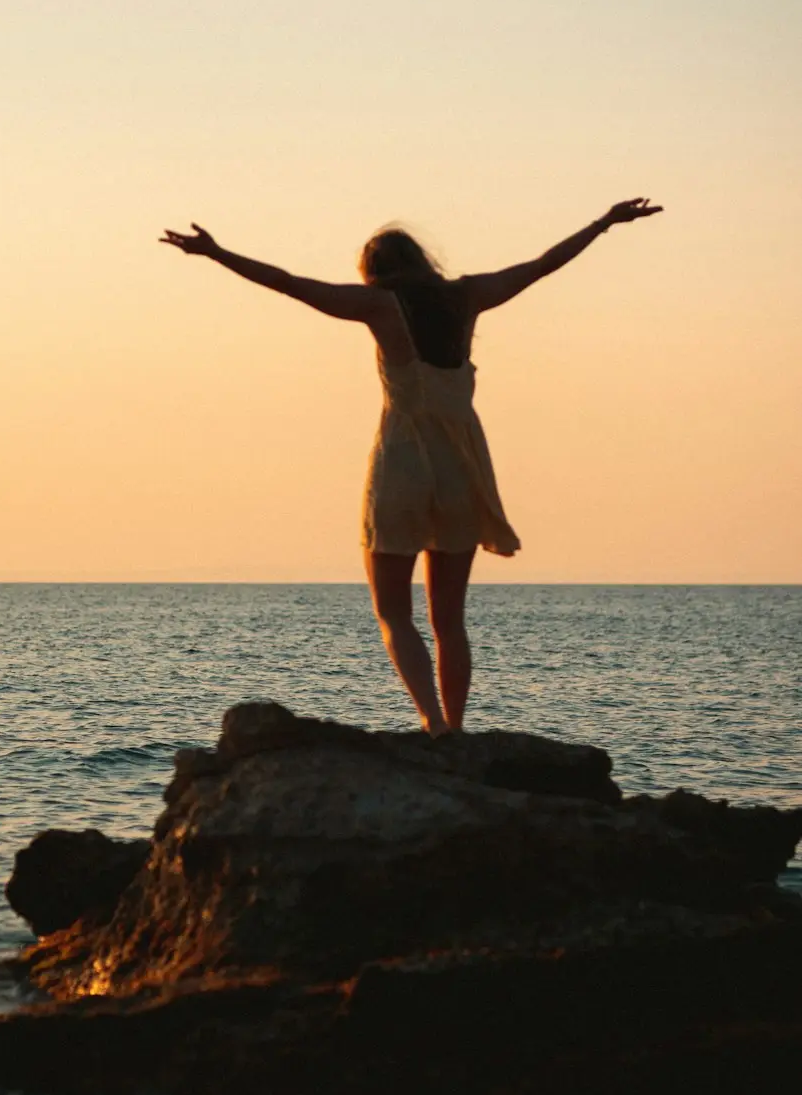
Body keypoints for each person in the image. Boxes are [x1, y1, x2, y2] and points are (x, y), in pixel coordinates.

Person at [161, 198, 662, 736]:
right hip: (462, 464)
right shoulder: (466, 296)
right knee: (449, 619)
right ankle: (457, 728)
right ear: (423, 260)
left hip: (403, 462)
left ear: (374, 273)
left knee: (394, 612)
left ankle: (432, 723)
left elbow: (289, 283)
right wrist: (603, 223)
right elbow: (542, 266)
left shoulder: (379, 305)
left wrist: (215, 253)